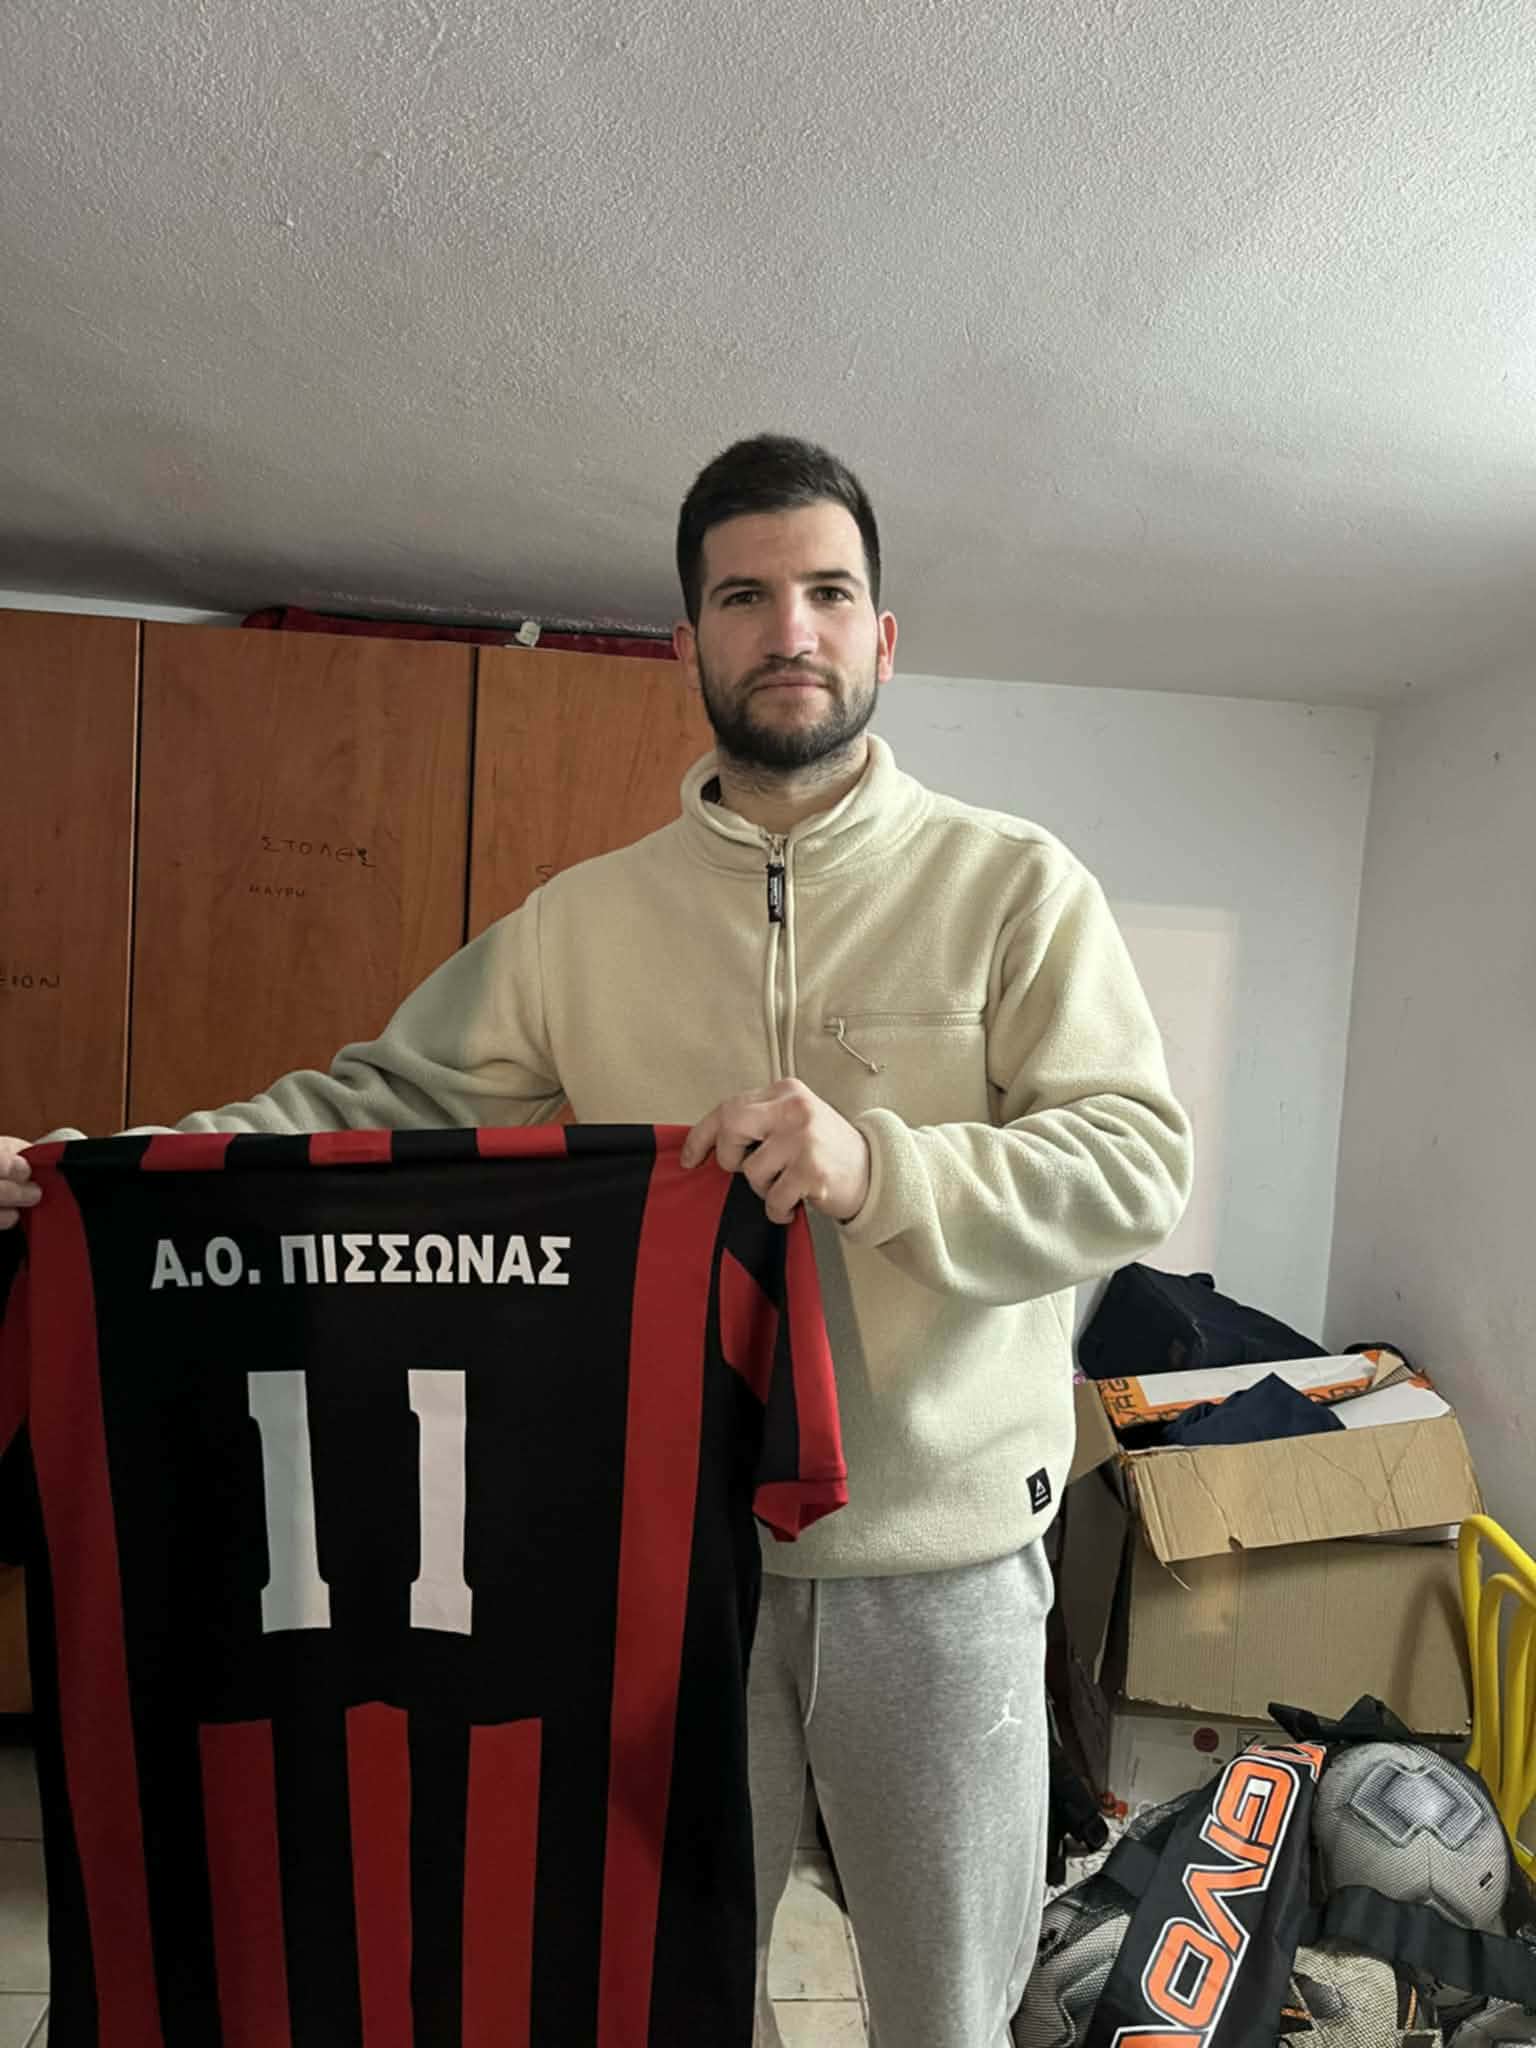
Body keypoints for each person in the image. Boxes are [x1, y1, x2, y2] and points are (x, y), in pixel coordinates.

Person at [0, 434, 1192, 2048]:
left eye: (829, 593)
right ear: (688, 640)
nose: (791, 629)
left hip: (945, 1572)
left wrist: (880, 1168)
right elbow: (372, 1101)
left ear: (884, 634)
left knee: (948, 2016)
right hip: (672, 1573)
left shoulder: (1014, 888)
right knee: (664, 1997)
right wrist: (99, 1174)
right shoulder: (583, 921)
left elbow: (1132, 1162)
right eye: (746, 597)